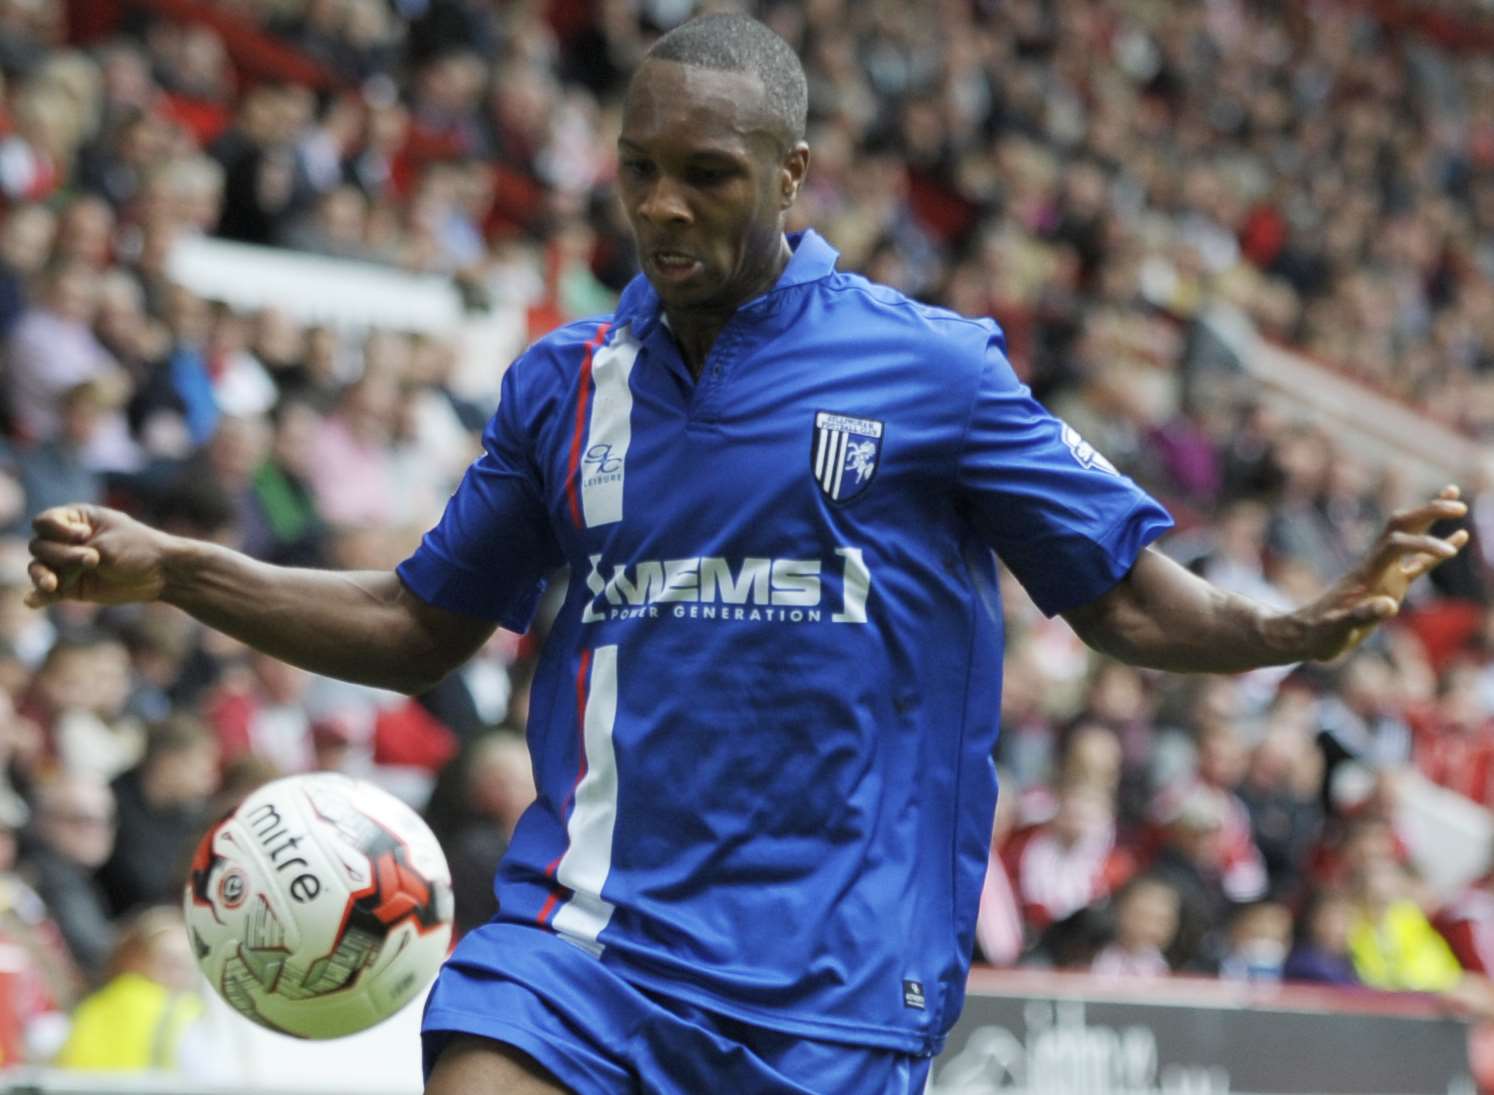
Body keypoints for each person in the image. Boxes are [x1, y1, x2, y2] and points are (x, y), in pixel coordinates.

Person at [22, 14, 1471, 1095]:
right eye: (638, 171)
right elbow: (417, 625)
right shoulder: (564, 384)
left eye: (704, 175)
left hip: (830, 981)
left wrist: (1294, 628)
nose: (660, 207)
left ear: (791, 178)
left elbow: (1131, 608)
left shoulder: (935, 375)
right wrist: (181, 571)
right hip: (579, 943)